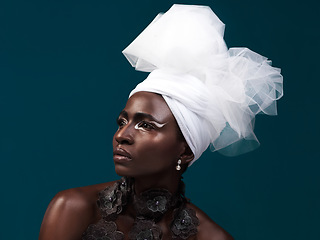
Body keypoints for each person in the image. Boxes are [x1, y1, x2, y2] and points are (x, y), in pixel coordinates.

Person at [39, 4, 283, 240]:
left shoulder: (211, 237)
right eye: (122, 121)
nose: (122, 134)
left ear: (186, 150)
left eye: (146, 125)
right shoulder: (73, 208)